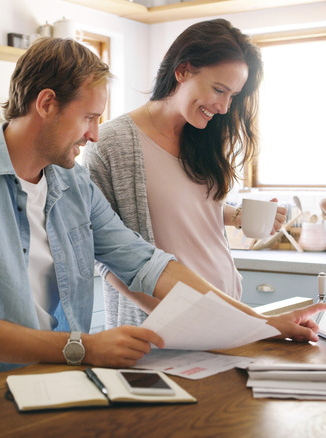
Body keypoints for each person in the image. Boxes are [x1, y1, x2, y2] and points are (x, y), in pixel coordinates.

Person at [0, 37, 326, 388]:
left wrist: (262, 323)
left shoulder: (73, 185)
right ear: (45, 104)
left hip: (60, 385)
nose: (95, 133)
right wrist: (85, 348)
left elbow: (149, 264)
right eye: (90, 117)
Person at [83, 19, 284, 329]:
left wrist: (238, 216)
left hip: (228, 314)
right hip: (165, 326)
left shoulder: (206, 138)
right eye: (219, 90)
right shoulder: (111, 144)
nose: (224, 107)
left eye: (233, 96)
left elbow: (186, 207)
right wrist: (173, 315)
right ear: (183, 70)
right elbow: (105, 254)